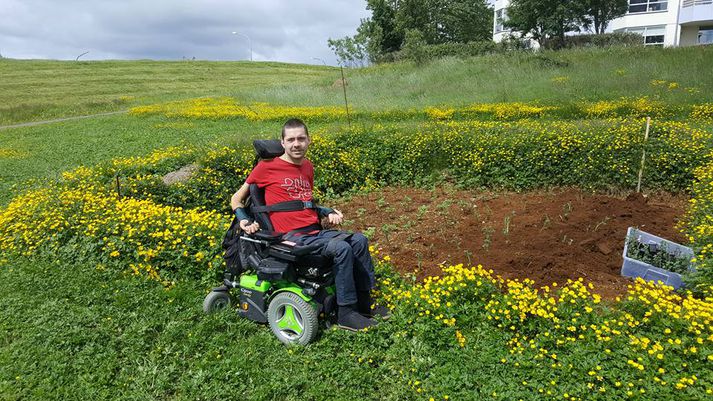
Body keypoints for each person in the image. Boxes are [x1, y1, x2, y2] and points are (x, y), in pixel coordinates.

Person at [230, 118, 387, 331]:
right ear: (282, 142)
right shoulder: (266, 167)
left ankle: (363, 302)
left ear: (309, 141)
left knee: (359, 240)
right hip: (287, 237)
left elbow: (304, 203)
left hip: (312, 232)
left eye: (301, 139)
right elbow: (236, 199)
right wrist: (244, 220)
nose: (297, 144)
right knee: (340, 248)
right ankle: (346, 313)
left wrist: (326, 211)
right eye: (291, 139)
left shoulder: (307, 167)